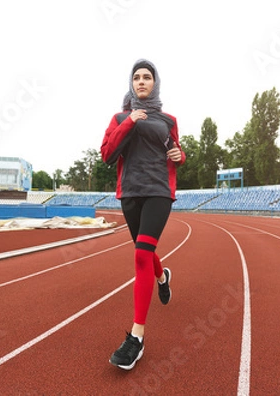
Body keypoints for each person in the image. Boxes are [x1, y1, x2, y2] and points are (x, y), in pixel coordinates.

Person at [101, 59, 186, 370]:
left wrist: (181, 155)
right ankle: (162, 277)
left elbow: (174, 150)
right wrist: (130, 122)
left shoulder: (168, 119)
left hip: (159, 192)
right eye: (136, 77)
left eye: (147, 77)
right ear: (131, 83)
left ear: (155, 83)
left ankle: (136, 338)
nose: (141, 81)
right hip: (131, 193)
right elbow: (107, 154)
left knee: (140, 255)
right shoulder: (120, 117)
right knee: (145, 252)